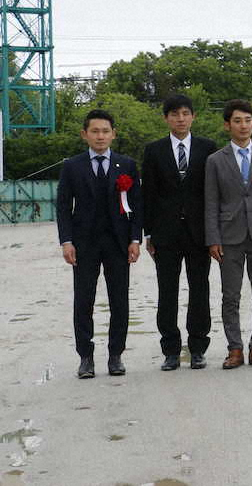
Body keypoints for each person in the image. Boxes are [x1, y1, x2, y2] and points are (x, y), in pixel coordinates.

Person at [56, 109, 143, 378]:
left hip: (118, 243)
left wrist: (135, 239)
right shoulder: (72, 166)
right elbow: (63, 206)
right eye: (95, 131)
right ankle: (86, 357)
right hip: (84, 244)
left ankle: (116, 355)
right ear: (85, 134)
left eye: (105, 131)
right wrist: (66, 241)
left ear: (113, 134)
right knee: (84, 300)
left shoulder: (126, 165)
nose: (100, 136)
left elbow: (136, 204)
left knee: (119, 300)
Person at [204, 99, 252, 369]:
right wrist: (213, 238)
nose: (243, 125)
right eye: (237, 121)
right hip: (229, 236)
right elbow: (211, 202)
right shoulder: (216, 160)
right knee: (231, 296)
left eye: (248, 120)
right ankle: (235, 348)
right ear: (227, 125)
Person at [141, 94, 218, 371]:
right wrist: (148, 233)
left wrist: (215, 233)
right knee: (167, 292)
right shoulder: (154, 150)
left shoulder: (208, 148)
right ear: (166, 118)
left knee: (200, 290)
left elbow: (214, 193)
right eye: (174, 114)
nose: (180, 119)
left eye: (185, 113)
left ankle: (198, 348)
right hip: (166, 233)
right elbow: (148, 194)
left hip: (199, 233)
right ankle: (171, 350)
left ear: (193, 116)